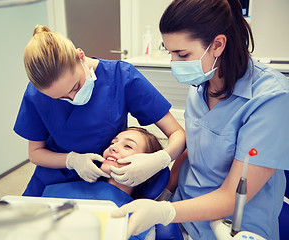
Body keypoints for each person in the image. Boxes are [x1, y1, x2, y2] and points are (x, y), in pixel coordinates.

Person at [111, 0, 289, 239]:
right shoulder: (201, 83)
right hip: (183, 211)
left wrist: (164, 211)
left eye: (182, 54)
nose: (174, 63)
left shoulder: (271, 99)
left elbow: (230, 198)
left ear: (217, 45)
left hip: (233, 225)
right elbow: (193, 149)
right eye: (170, 51)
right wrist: (166, 192)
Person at [14, 25, 186, 197]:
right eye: (60, 98)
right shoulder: (36, 94)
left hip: (107, 181)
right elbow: (35, 153)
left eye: (75, 87)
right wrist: (72, 160)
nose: (73, 99)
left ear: (80, 56)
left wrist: (159, 160)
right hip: (52, 180)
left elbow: (177, 133)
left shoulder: (121, 77)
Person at [42, 127, 183, 240]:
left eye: (128, 146)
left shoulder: (140, 219)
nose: (113, 147)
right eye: (113, 142)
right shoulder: (65, 187)